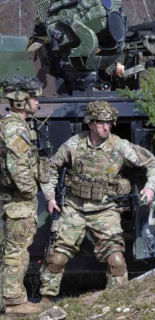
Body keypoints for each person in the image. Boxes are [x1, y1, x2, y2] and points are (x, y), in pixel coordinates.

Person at [39, 101, 155, 304]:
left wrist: (150, 187)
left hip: (105, 209)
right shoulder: (73, 144)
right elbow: (50, 169)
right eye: (101, 123)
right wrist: (50, 197)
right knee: (57, 257)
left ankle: (117, 301)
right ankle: (45, 300)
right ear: (90, 124)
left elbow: (153, 164)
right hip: (73, 208)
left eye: (109, 123)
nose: (106, 127)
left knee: (115, 259)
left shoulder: (120, 146)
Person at [0, 75, 44, 314]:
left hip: (10, 199)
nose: (37, 102)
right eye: (33, 97)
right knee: (16, 252)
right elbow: (18, 168)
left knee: (9, 250)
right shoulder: (16, 127)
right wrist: (30, 191)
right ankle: (15, 302)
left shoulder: (12, 125)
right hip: (18, 201)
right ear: (20, 101)